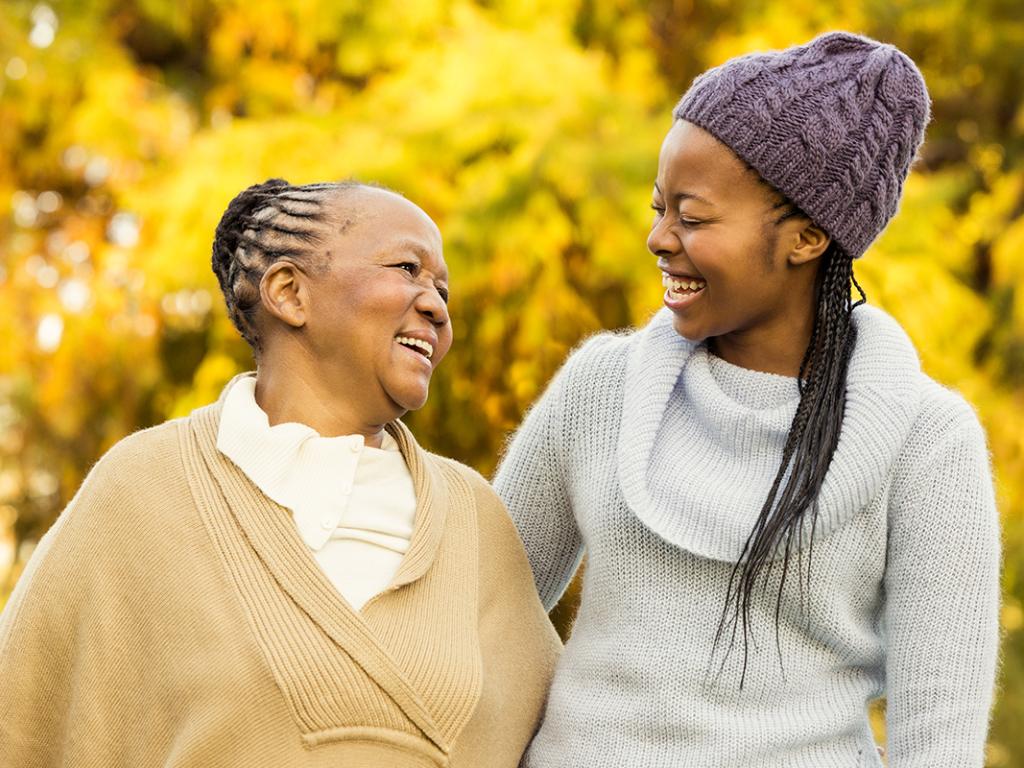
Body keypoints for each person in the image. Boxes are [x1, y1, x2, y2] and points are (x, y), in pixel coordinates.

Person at [494, 31, 1000, 767]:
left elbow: (939, 740)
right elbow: (479, 616)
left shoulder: (928, 440)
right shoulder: (601, 388)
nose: (657, 238)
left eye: (692, 217)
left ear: (806, 237)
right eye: (659, 207)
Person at [0, 179, 560, 767]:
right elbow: (22, 728)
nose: (437, 307)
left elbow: (580, 727)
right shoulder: (141, 490)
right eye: (407, 268)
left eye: (442, 289)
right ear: (290, 293)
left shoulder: (473, 515)